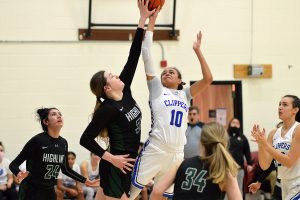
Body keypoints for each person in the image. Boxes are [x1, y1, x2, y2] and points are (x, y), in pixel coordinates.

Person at [130, 9, 213, 199]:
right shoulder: (157, 89)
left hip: (176, 155)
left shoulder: (185, 94)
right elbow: (146, 52)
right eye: (164, 72)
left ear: (180, 80)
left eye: (171, 72)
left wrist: (198, 51)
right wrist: (153, 21)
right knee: (131, 192)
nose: (166, 73)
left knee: (165, 197)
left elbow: (208, 79)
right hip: (156, 149)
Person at [79, 1, 155, 199]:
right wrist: (111, 158)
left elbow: (133, 56)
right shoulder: (108, 109)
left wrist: (142, 20)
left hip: (127, 164)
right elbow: (85, 139)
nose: (116, 75)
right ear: (107, 88)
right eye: (111, 76)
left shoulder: (126, 89)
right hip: (116, 166)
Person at [9, 107, 92, 200]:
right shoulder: (37, 140)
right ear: (46, 122)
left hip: (49, 191)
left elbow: (65, 169)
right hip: (31, 190)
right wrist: (19, 173)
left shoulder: (63, 143)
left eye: (60, 114)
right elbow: (13, 164)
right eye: (54, 114)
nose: (59, 116)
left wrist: (85, 180)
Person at [149, 122, 241, 200]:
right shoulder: (224, 171)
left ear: (201, 141)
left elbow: (157, 192)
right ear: (225, 142)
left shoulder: (181, 163)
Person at [251, 95, 300, 199]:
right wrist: (261, 145)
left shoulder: (298, 129)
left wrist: (266, 145)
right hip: (284, 182)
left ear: (295, 110)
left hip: (298, 181)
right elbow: (265, 165)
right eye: (279, 104)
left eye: (285, 105)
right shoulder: (273, 133)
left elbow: (289, 162)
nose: (280, 107)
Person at [227, 118, 253, 197]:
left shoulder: (242, 137)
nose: (235, 124)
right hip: (227, 167)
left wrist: (249, 164)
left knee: (238, 187)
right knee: (227, 188)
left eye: (237, 123)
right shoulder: (225, 135)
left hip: (239, 167)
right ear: (229, 124)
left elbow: (247, 151)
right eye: (233, 123)